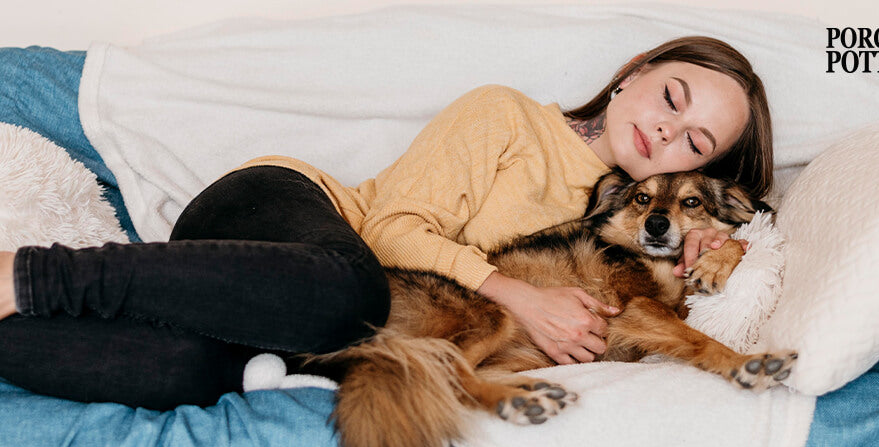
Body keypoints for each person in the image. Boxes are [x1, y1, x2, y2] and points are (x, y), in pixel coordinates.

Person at [0, 36, 772, 410]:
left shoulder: (630, 224)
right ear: (635, 75)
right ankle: (27, 272)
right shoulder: (507, 114)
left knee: (185, 378)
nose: (669, 133)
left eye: (696, 142)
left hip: (284, 320)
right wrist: (521, 296)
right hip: (290, 220)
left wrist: (715, 252)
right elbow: (396, 231)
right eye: (672, 98)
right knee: (349, 292)